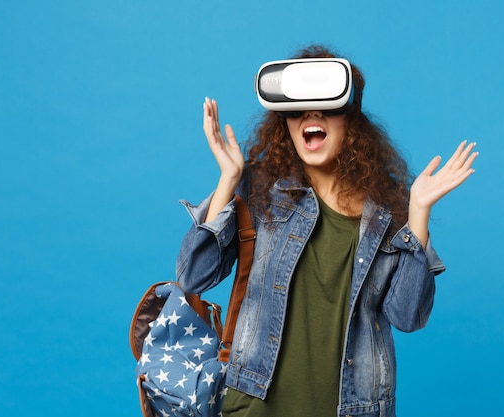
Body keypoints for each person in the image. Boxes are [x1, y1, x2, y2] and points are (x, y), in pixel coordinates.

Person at [176, 45, 478, 417]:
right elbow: (193, 275)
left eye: (325, 108)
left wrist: (418, 213)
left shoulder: (387, 210)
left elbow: (408, 316)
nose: (310, 117)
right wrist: (229, 180)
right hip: (253, 408)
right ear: (284, 121)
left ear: (351, 121)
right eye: (298, 110)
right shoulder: (260, 189)